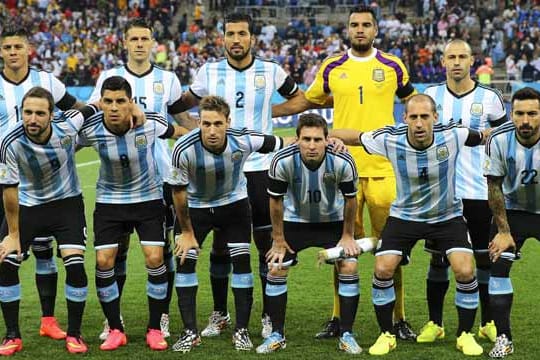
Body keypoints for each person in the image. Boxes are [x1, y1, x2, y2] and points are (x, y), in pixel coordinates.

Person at [272, 5, 416, 340]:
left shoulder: (393, 65)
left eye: (367, 24)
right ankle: (338, 318)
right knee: (342, 249)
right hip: (341, 169)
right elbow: (309, 102)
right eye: (355, 25)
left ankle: (399, 318)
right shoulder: (333, 67)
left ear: (376, 29)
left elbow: (414, 102)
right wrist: (265, 111)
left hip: (384, 169)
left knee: (390, 250)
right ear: (348, 30)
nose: (361, 29)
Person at [174, 12, 302, 339]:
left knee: (263, 243)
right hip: (219, 170)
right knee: (219, 245)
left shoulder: (271, 70)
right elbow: (179, 104)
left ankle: (268, 316)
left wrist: (267, 112)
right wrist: (192, 128)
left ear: (251, 38)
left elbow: (298, 99)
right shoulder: (208, 71)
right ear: (223, 38)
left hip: (261, 168)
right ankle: (220, 314)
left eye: (241, 33)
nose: (236, 39)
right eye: (230, 33)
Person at [332, 94, 485, 356]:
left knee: (465, 270)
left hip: (446, 216)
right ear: (404, 119)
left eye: (424, 116)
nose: (418, 123)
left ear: (434, 118)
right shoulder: (391, 138)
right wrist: (328, 136)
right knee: (383, 268)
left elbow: (487, 135)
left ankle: (465, 335)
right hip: (405, 216)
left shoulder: (455, 135)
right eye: (413, 117)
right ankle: (386, 335)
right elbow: (356, 136)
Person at [88, 17, 195, 340]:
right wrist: (128, 106)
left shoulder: (168, 78)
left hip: (160, 175)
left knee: (162, 249)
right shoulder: (109, 77)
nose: (138, 44)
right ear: (125, 42)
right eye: (133, 39)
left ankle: (160, 317)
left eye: (144, 39)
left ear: (152, 43)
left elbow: (181, 120)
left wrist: (200, 138)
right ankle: (113, 319)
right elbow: (95, 108)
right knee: (115, 252)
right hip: (118, 181)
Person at [168, 95, 287, 353]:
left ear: (228, 122)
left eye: (218, 124)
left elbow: (284, 142)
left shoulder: (243, 139)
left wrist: (329, 139)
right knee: (185, 262)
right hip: (196, 209)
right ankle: (190, 332)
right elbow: (178, 193)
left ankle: (241, 331)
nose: (212, 130)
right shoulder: (183, 148)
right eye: (206, 123)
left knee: (241, 262)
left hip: (234, 205)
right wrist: (186, 232)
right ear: (199, 122)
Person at [78, 76, 184, 351]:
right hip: (109, 201)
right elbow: (61, 133)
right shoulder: (89, 129)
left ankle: (154, 327)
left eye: (121, 101)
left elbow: (180, 134)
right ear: (100, 103)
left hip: (148, 198)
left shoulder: (150, 123)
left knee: (155, 257)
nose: (114, 107)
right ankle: (115, 328)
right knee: (104, 261)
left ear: (131, 103)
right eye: (108, 101)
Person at [0, 24, 84, 343]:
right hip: (9, 183)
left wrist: (69, 139)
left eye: (18, 47)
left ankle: (48, 321)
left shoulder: (47, 81)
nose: (13, 52)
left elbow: (76, 109)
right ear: (1, 51)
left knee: (45, 253)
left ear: (28, 49)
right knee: (8, 251)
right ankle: (12, 332)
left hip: (51, 184)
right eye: (7, 47)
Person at [421, 39, 507, 344]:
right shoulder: (430, 97)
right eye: (451, 57)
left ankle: (487, 322)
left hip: (479, 191)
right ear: (443, 62)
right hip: (441, 193)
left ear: (472, 61)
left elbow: (502, 141)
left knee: (484, 259)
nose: (456, 62)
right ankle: (435, 322)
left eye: (462, 57)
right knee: (438, 259)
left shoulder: (490, 98)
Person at [0, 87, 98, 355]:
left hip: (66, 205)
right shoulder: (10, 142)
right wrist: (13, 234)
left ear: (51, 114)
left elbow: (92, 108)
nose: (32, 119)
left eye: (40, 113)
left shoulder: (67, 126)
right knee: (7, 263)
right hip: (28, 205)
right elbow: (8, 190)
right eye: (28, 112)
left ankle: (75, 334)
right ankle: (12, 335)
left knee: (75, 265)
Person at [256, 114, 361, 354]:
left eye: (317, 139)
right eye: (306, 139)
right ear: (297, 139)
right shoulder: (281, 160)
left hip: (332, 222)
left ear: (327, 139)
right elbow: (275, 201)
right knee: (276, 266)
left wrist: (348, 235)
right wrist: (279, 239)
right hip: (295, 221)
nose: (311, 145)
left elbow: (350, 199)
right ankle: (276, 334)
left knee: (349, 267)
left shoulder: (343, 160)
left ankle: (347, 334)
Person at [484, 87, 540, 358]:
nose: (525, 120)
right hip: (512, 212)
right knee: (498, 269)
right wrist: (504, 231)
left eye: (532, 113)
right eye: (519, 113)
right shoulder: (498, 139)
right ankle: (503, 338)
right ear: (511, 114)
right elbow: (493, 186)